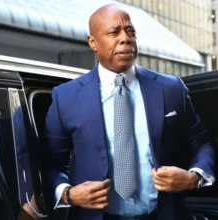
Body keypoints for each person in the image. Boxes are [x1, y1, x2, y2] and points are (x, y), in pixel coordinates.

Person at [44, 3, 215, 220]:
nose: (125, 38)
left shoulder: (171, 88)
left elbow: (201, 143)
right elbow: (50, 162)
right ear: (93, 42)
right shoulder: (66, 97)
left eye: (130, 31)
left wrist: (193, 178)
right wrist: (68, 194)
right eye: (114, 32)